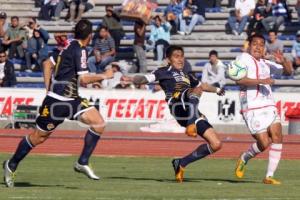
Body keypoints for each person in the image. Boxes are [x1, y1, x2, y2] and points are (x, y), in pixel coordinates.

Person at [3, 19, 114, 188]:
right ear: (90, 36)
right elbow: (83, 79)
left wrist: (47, 87)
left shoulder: (67, 45)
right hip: (57, 102)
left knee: (99, 123)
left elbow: (47, 63)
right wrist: (105, 75)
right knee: (38, 137)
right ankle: (11, 164)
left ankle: (82, 162)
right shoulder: (80, 50)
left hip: (71, 100)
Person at [122, 45, 224, 182]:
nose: (180, 59)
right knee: (194, 91)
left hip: (192, 110)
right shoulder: (163, 71)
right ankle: (190, 125)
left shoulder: (188, 75)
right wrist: (131, 78)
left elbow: (204, 86)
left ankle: (181, 163)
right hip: (178, 105)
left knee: (216, 144)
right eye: (176, 56)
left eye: (182, 56)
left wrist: (217, 90)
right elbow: (146, 78)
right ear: (168, 59)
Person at [234, 33, 293, 185]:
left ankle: (269, 176)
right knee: (264, 143)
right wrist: (262, 80)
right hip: (252, 107)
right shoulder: (243, 58)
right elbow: (238, 80)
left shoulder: (266, 63)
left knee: (278, 135)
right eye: (255, 44)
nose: (258, 47)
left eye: (261, 44)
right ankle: (244, 157)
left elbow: (288, 72)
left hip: (269, 104)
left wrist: (284, 60)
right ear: (249, 45)